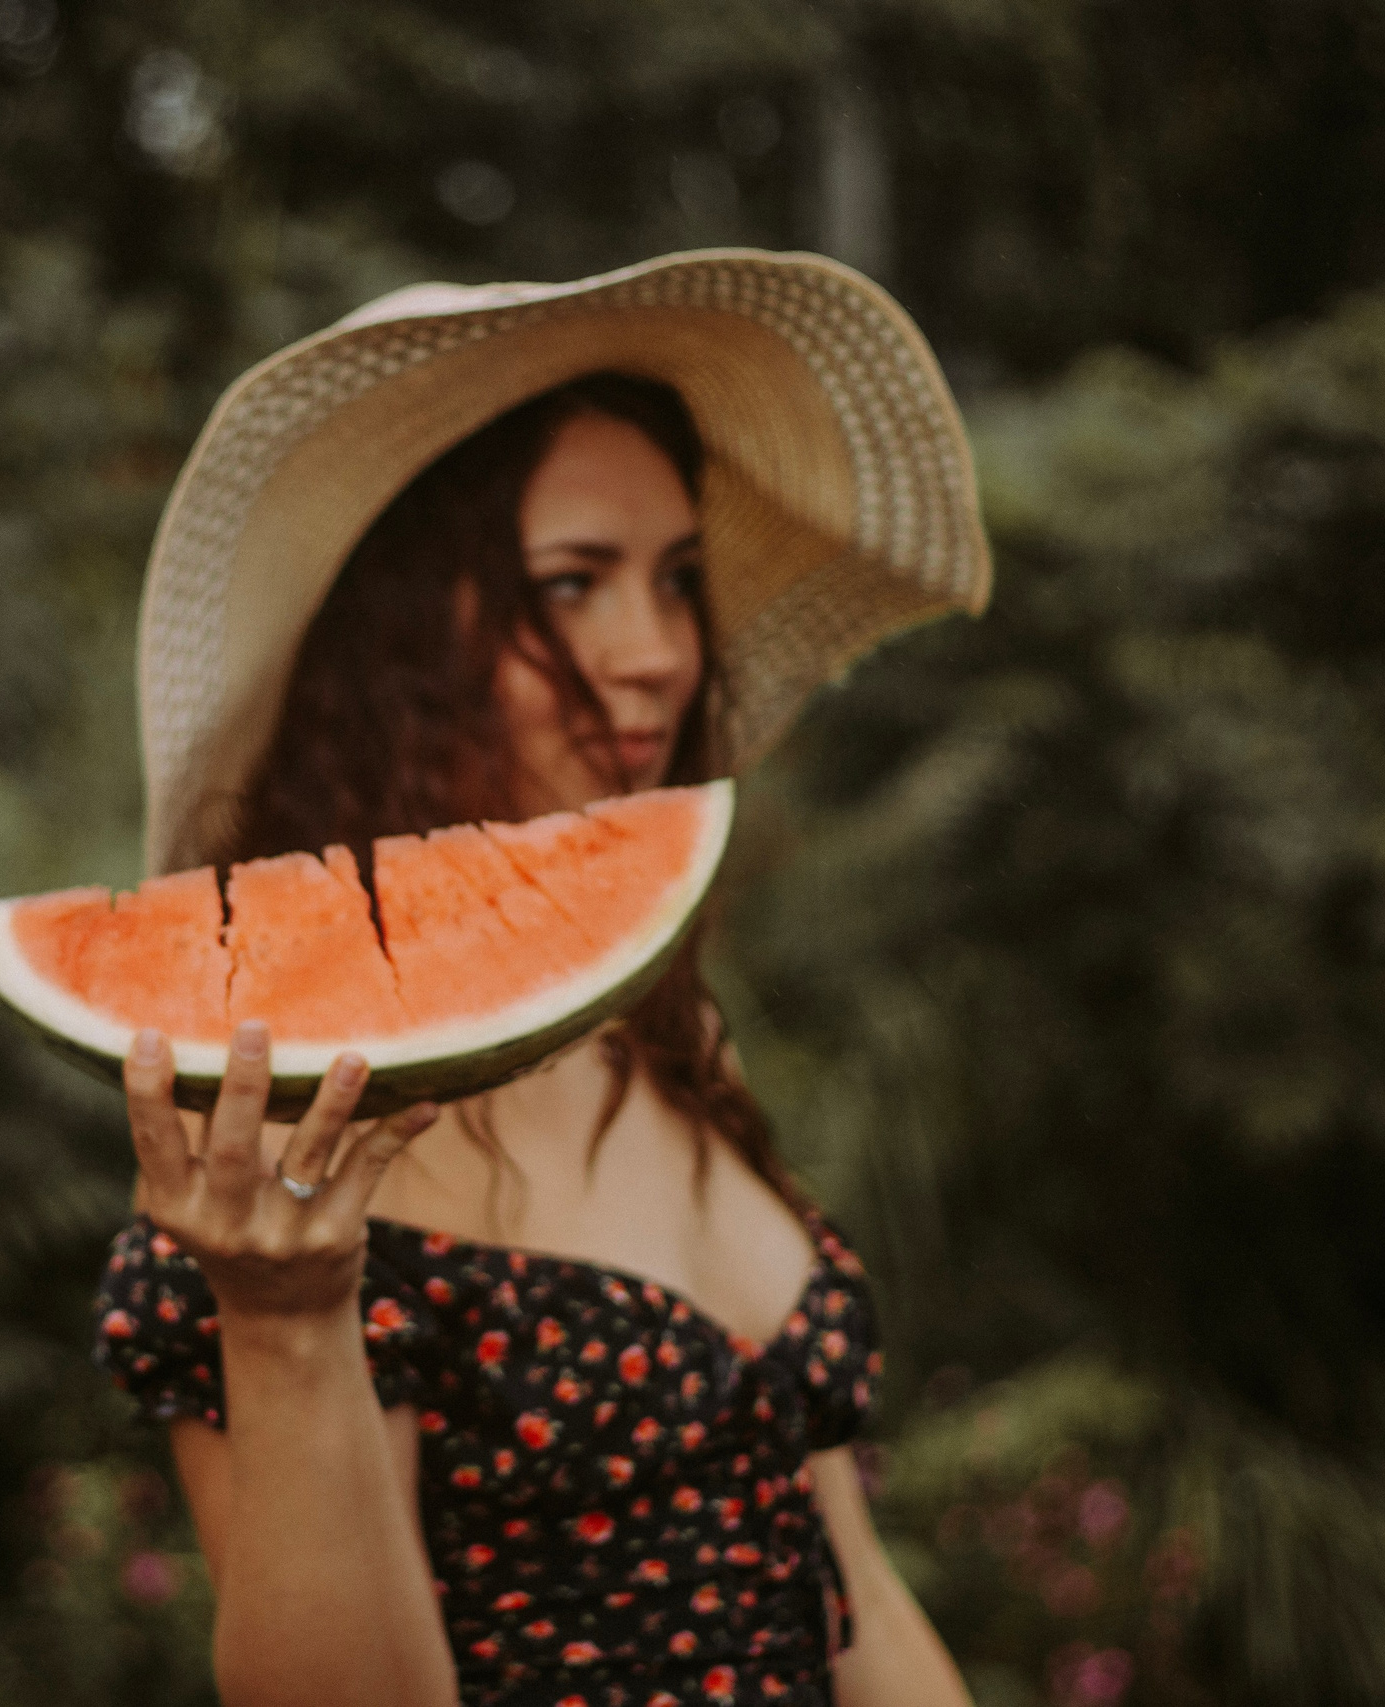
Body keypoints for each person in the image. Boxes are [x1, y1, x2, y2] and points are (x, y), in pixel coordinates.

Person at [93, 252, 991, 1707]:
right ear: (400, 639)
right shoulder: (274, 1107)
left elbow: (855, 1595)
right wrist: (282, 1318)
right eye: (572, 586)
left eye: (680, 583)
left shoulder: (665, 1027)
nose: (655, 657)